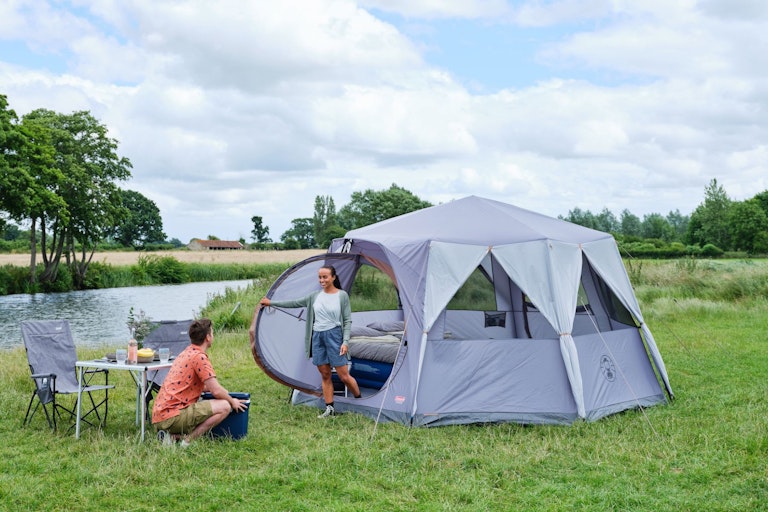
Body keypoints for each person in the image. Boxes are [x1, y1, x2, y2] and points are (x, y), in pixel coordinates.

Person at [251, 264, 361, 418]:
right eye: (320, 277)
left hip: (335, 336)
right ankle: (330, 409)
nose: (322, 280)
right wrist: (271, 303)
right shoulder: (314, 296)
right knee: (325, 374)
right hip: (317, 337)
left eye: (325, 277)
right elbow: (294, 303)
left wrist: (345, 342)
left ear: (333, 278)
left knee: (344, 376)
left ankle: (359, 400)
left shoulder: (341, 296)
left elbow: (348, 320)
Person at [152, 318, 247, 446]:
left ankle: (173, 437)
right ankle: (187, 441)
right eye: (212, 333)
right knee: (225, 406)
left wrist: (216, 390)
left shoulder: (185, 353)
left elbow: (191, 385)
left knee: (204, 402)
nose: (213, 336)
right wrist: (232, 400)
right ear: (208, 337)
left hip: (159, 416)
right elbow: (216, 390)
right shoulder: (199, 357)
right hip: (172, 417)